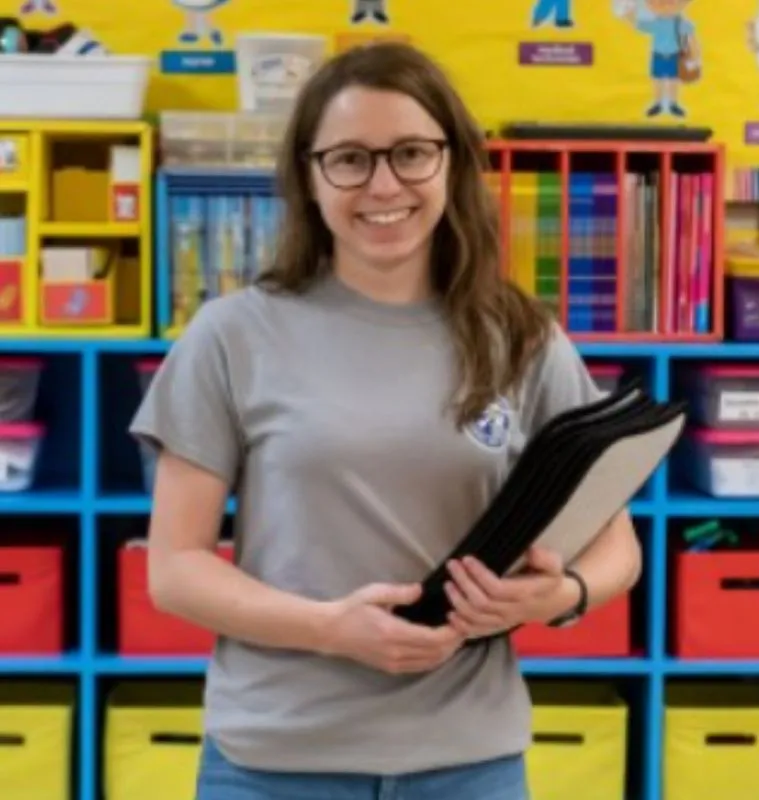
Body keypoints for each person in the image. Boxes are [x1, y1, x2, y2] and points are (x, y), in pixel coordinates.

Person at [130, 41, 642, 800]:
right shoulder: (231, 334)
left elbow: (616, 545)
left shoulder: (523, 337)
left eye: (410, 153)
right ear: (309, 175)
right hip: (276, 763)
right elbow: (175, 570)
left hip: (470, 762)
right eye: (349, 159)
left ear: (452, 163)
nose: (383, 185)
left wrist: (558, 596)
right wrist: (329, 628)